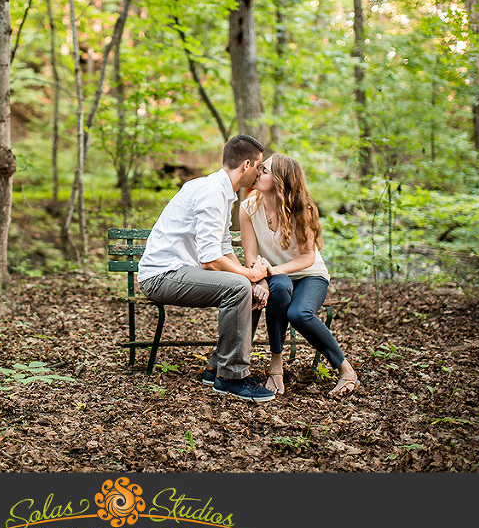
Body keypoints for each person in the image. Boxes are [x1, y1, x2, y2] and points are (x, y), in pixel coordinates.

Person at [138, 134, 276, 404]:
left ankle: (216, 368)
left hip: (179, 272)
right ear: (246, 165)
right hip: (161, 276)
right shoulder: (211, 193)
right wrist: (249, 276)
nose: (259, 173)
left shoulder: (223, 193)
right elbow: (210, 261)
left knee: (245, 288)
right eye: (258, 167)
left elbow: (223, 248)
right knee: (239, 287)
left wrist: (250, 281)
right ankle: (232, 378)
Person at [239, 151, 360, 399]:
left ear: (282, 179)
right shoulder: (248, 207)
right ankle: (276, 366)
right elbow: (250, 255)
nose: (258, 172)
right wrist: (261, 277)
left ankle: (346, 370)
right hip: (276, 278)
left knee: (299, 314)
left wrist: (274, 270)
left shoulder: (301, 209)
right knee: (280, 287)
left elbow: (308, 258)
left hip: (310, 275)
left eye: (265, 170)